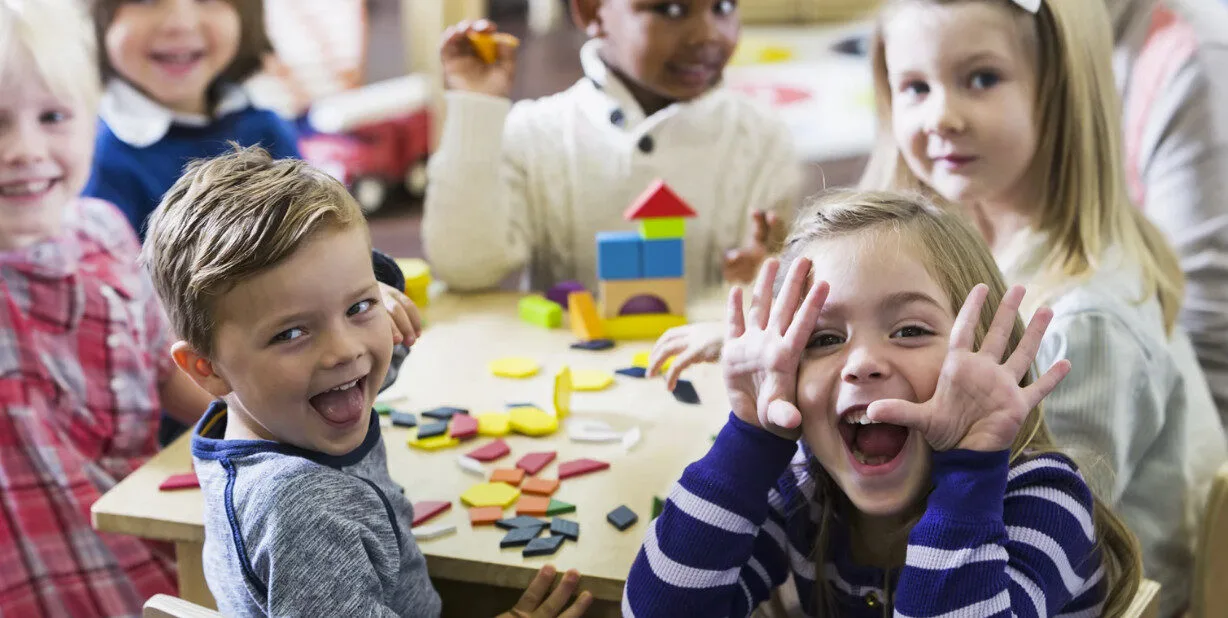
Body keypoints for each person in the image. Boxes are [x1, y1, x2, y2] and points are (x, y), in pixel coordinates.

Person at [863, 0, 1228, 613]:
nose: (942, 116)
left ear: (1062, 94)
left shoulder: (1082, 325)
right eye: (915, 87)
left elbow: (1039, 541)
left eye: (981, 79)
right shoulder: (986, 236)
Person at [624, 190, 1142, 617]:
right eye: (823, 340)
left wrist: (970, 469)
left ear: (990, 351)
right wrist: (750, 437)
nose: (862, 363)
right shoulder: (803, 490)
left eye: (911, 330)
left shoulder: (1041, 501)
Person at [141, 146, 592, 617]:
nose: (346, 351)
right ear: (206, 369)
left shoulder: (255, 412)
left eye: (358, 307)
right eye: (291, 333)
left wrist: (371, 297)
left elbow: (381, 357)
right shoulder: (303, 509)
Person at [422, 0, 801, 294]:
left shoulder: (763, 140)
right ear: (592, 10)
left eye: (723, 6)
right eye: (671, 9)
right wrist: (476, 108)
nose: (708, 35)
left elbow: (786, 298)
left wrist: (761, 281)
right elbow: (464, 267)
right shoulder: (536, 134)